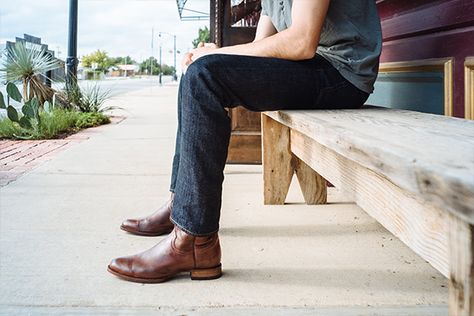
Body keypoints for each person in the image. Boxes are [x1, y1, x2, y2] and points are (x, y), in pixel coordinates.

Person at [108, 0, 382, 283]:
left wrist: (216, 56)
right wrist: (212, 55)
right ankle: (182, 205)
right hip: (314, 67)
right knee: (198, 72)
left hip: (342, 73)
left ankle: (193, 241)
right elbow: (261, 48)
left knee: (204, 75)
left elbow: (301, 42)